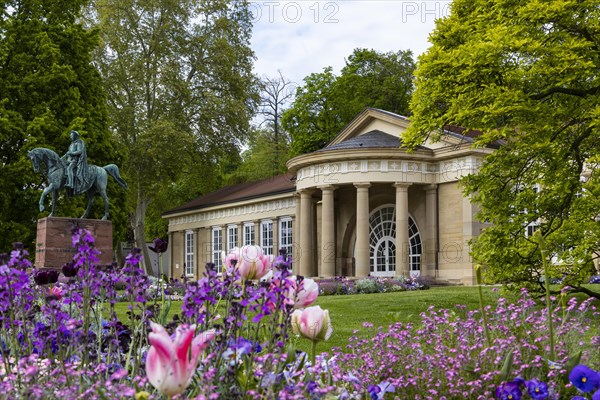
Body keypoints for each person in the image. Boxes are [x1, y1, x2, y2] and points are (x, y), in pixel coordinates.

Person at [64, 130, 88, 194]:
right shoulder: (71, 144)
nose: (70, 137)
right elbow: (68, 153)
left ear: (75, 136)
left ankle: (71, 184)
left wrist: (71, 153)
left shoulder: (78, 143)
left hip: (75, 160)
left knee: (69, 168)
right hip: (69, 160)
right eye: (70, 135)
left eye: (71, 135)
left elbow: (79, 151)